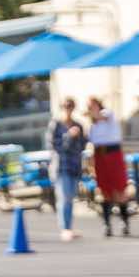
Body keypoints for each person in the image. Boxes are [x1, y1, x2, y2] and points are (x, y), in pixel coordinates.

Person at [86, 96, 133, 236]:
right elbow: (92, 145)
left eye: (92, 106)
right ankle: (107, 225)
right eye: (89, 107)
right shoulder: (92, 126)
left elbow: (101, 116)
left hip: (113, 154)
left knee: (120, 190)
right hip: (100, 156)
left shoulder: (108, 114)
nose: (91, 109)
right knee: (104, 191)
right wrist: (91, 165)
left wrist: (92, 114)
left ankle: (124, 222)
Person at [45, 97, 89, 242]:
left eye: (71, 106)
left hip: (74, 166)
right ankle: (65, 229)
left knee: (70, 198)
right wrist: (69, 136)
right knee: (63, 198)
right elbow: (54, 146)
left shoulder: (78, 125)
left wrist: (82, 135)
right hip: (60, 167)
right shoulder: (55, 125)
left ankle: (69, 227)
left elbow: (82, 147)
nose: (68, 109)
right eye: (66, 106)